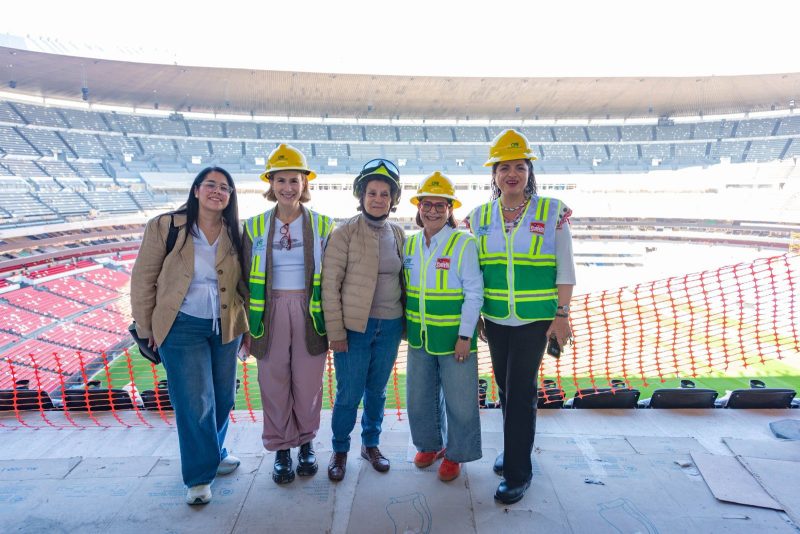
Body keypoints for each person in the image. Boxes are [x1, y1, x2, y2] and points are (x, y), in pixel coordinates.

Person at [467, 129, 575, 505]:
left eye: (519, 167)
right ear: (494, 175)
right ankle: (515, 451)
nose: (511, 174)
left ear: (529, 172)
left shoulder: (553, 212)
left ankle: (518, 472)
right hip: (496, 320)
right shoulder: (478, 217)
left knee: (520, 391)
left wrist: (561, 315)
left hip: (535, 320)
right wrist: (477, 315)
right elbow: (475, 273)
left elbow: (565, 269)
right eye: (504, 168)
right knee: (506, 389)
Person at [131, 166, 248, 505]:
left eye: (224, 187)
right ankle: (198, 476)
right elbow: (143, 278)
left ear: (230, 196)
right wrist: (146, 327)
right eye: (210, 184)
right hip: (181, 325)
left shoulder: (236, 231)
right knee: (195, 401)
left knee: (223, 397)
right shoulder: (166, 226)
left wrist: (249, 328)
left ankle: (214, 452)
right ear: (196, 190)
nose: (217, 191)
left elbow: (243, 284)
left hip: (225, 324)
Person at [241, 144, 334, 485]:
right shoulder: (253, 226)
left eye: (294, 180)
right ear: (271, 183)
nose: (288, 187)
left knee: (308, 384)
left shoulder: (324, 224)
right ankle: (282, 448)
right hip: (269, 314)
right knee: (273, 382)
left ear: (304, 183)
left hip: (311, 312)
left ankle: (306, 443)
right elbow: (242, 279)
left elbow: (333, 277)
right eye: (281, 180)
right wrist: (246, 327)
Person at [322, 158, 406, 481]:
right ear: (362, 195)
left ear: (393, 199)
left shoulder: (397, 233)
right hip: (354, 329)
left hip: (390, 326)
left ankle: (371, 444)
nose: (378, 199)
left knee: (377, 391)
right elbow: (330, 286)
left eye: (385, 194)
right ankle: (340, 449)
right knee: (348, 394)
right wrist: (336, 332)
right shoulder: (344, 233)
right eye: (372, 193)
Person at [404, 172, 483, 482]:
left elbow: (474, 293)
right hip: (419, 336)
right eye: (427, 204)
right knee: (419, 397)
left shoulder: (463, 243)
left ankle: (456, 454)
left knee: (460, 401)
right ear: (419, 207)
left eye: (440, 205)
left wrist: (465, 335)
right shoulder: (410, 243)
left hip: (454, 338)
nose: (433, 211)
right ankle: (430, 445)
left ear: (450, 209)